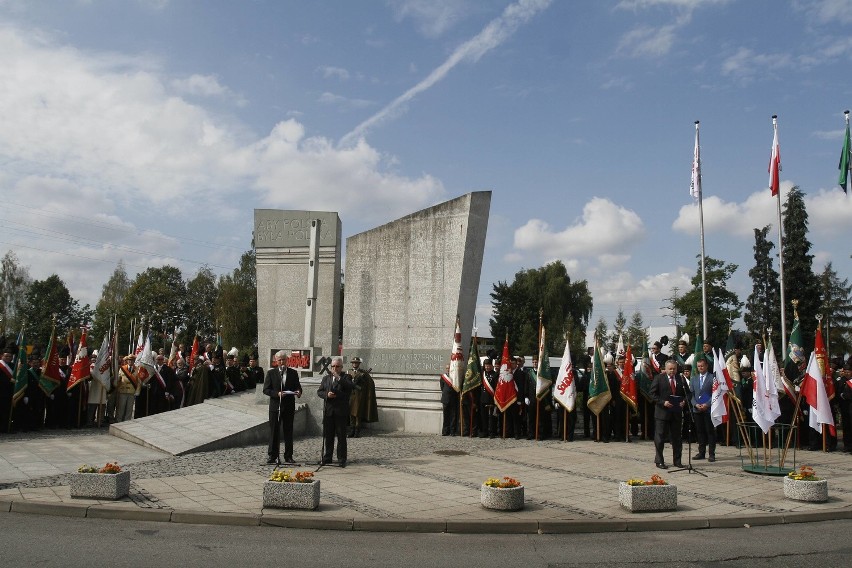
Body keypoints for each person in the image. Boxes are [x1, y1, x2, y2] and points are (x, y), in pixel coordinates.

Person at [263, 351, 303, 465]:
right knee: (274, 431)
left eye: (283, 360)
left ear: (287, 360)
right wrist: (277, 394)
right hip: (276, 407)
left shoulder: (293, 373)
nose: (282, 362)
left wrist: (299, 392)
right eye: (279, 360)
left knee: (288, 431)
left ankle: (288, 456)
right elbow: (266, 389)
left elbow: (298, 387)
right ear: (276, 361)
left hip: (289, 406)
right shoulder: (271, 373)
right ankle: (272, 455)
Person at [650, 360, 687, 469]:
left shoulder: (681, 379)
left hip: (676, 413)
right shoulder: (659, 378)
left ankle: (677, 461)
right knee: (660, 438)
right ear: (666, 369)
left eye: (674, 369)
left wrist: (684, 401)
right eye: (670, 369)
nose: (672, 371)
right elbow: (652, 394)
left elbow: (687, 394)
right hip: (662, 413)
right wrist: (663, 402)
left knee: (677, 438)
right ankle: (659, 460)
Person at [317, 356, 353, 467]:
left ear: (341, 367)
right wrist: (326, 395)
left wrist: (338, 378)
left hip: (340, 411)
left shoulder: (346, 377)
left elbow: (349, 389)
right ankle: (327, 457)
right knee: (328, 436)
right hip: (329, 411)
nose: (335, 368)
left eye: (337, 366)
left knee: (341, 436)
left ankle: (341, 458)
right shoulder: (326, 378)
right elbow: (320, 391)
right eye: (333, 366)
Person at [690, 357, 717, 462]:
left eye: (702, 366)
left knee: (710, 432)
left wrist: (707, 404)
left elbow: (715, 394)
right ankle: (701, 453)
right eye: (698, 366)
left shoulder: (712, 377)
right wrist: (695, 404)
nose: (700, 368)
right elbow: (691, 395)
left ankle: (711, 454)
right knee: (700, 432)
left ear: (706, 366)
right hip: (697, 409)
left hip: (708, 409)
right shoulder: (694, 379)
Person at [348, 357, 377, 438]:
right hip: (351, 395)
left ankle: (357, 430)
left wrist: (363, 380)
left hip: (359, 395)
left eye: (356, 363)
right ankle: (352, 430)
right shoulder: (348, 372)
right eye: (353, 362)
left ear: (359, 364)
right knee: (351, 413)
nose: (354, 364)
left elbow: (369, 383)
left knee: (357, 413)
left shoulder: (363, 373)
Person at [115, 354, 140, 422]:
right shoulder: (122, 368)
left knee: (129, 408)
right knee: (121, 407)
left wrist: (137, 391)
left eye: (132, 360)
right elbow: (118, 379)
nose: (130, 362)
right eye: (129, 360)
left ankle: (127, 421)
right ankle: (119, 421)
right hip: (123, 390)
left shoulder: (137, 369)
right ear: (127, 361)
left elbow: (139, 381)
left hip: (132, 391)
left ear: (134, 361)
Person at [439, 363, 459, 436]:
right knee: (446, 416)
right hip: (445, 399)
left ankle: (452, 431)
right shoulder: (443, 377)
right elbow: (442, 387)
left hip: (453, 398)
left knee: (453, 416)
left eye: (449, 368)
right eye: (447, 368)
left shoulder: (455, 377)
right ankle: (445, 431)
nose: (448, 369)